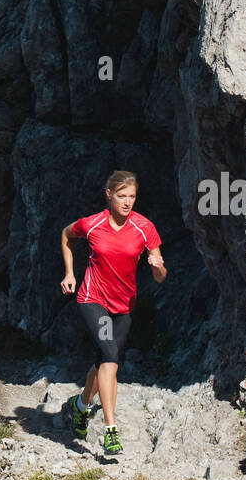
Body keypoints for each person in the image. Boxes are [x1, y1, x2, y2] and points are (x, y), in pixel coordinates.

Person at [60, 170, 166, 457]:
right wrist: (70, 273)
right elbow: (66, 235)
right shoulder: (91, 224)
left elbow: (160, 276)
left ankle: (80, 406)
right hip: (93, 300)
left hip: (124, 307)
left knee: (104, 363)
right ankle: (111, 430)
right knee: (109, 358)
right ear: (109, 195)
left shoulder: (145, 227)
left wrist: (156, 267)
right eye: (122, 196)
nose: (127, 202)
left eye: (132, 197)